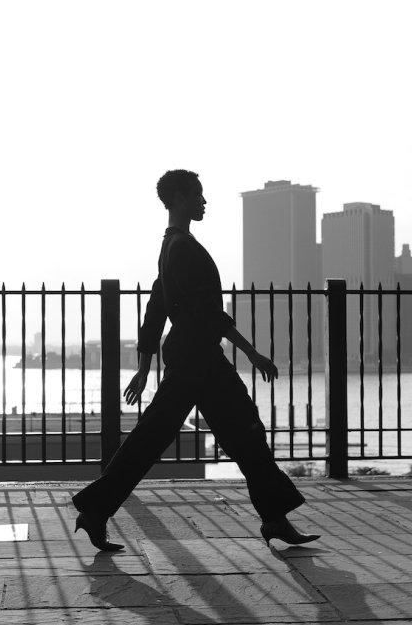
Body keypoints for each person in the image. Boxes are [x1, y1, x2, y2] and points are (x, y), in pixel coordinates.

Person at [72, 169, 319, 552]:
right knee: (238, 433)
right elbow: (205, 313)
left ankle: (274, 518)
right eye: (199, 195)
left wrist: (143, 367)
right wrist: (251, 351)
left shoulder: (171, 245)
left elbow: (156, 308)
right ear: (180, 198)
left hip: (194, 357)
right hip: (198, 360)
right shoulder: (182, 248)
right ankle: (95, 510)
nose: (204, 202)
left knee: (230, 434)